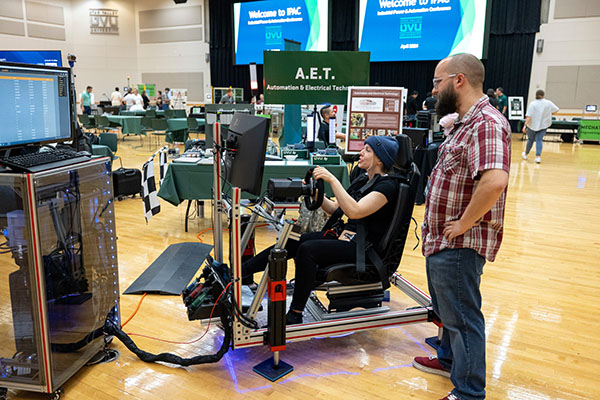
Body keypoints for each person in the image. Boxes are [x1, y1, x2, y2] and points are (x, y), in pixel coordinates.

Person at [413, 53, 511, 400]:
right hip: (443, 240)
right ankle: (448, 359)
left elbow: (495, 179)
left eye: (438, 83)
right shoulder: (466, 122)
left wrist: (463, 224)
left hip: (459, 244)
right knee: (448, 311)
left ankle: (468, 391)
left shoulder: (486, 122)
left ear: (458, 81)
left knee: (463, 318)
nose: (434, 91)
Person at [242, 135, 400, 325]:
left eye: (367, 150)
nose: (360, 152)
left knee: (308, 251)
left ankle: (295, 313)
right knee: (292, 240)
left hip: (363, 249)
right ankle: (240, 272)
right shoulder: (363, 180)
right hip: (346, 238)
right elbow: (336, 209)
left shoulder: (388, 186)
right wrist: (316, 194)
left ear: (380, 159)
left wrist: (333, 179)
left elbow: (355, 212)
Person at [521, 90, 559, 164]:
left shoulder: (532, 104)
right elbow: (557, 109)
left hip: (532, 125)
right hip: (543, 125)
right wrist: (550, 114)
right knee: (539, 140)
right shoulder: (548, 103)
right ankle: (538, 157)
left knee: (530, 140)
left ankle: (526, 154)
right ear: (543, 95)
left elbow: (529, 116)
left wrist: (525, 125)